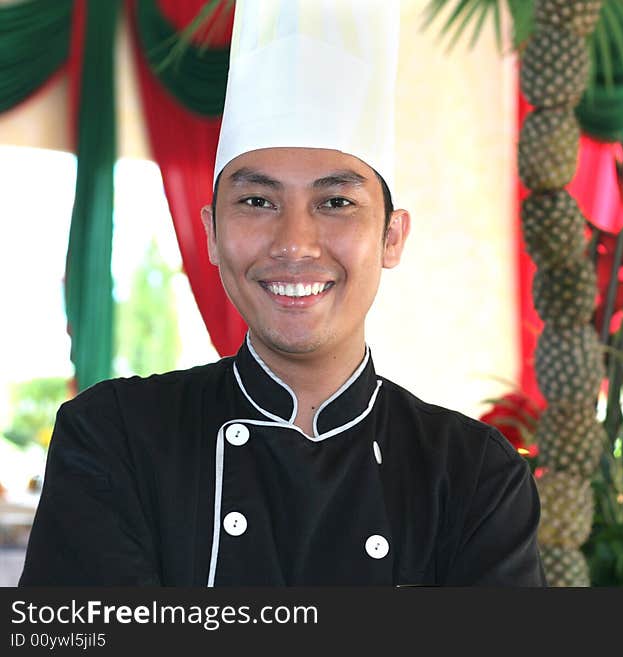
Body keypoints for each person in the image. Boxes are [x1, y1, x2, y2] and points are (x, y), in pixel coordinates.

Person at [19, 0, 545, 587]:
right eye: (257, 201)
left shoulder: (473, 476)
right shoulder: (114, 437)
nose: (295, 243)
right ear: (212, 233)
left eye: (336, 202)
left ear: (391, 236)